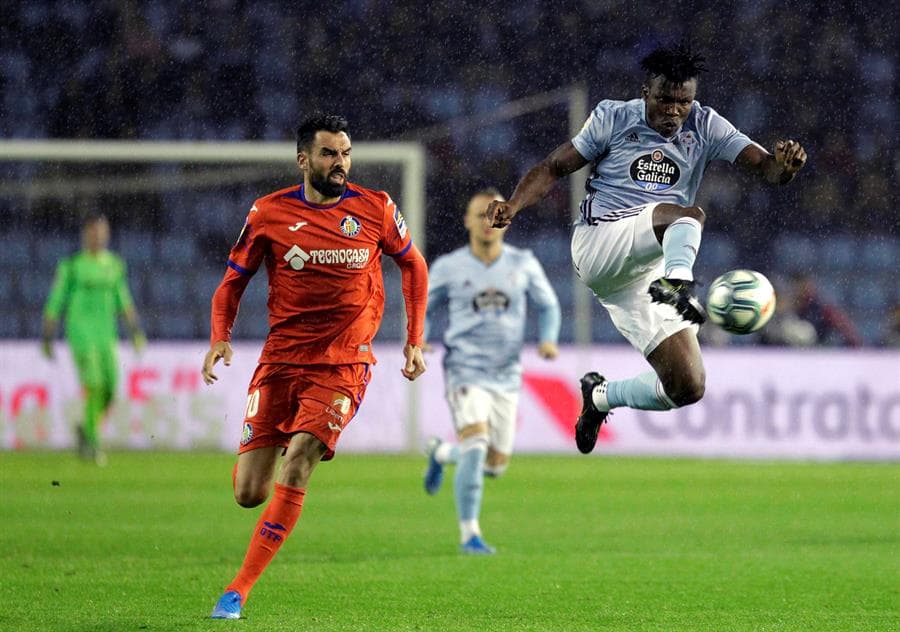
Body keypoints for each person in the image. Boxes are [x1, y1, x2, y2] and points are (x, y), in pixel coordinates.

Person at [485, 43, 808, 453]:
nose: (674, 110)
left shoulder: (707, 125)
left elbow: (767, 169)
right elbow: (554, 166)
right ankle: (678, 284)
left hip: (643, 271)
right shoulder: (613, 117)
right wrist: (513, 205)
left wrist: (785, 166)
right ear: (646, 92)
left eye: (684, 102)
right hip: (600, 243)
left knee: (687, 385)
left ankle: (600, 397)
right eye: (665, 100)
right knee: (687, 216)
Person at [203, 113, 428, 620]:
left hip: (343, 362)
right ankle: (290, 431)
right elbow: (232, 281)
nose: (340, 163)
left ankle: (237, 590)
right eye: (329, 154)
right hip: (282, 359)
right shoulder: (268, 213)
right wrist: (221, 337)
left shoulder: (376, 208)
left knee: (300, 458)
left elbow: (412, 264)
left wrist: (414, 340)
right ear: (304, 159)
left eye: (346, 153)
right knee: (248, 493)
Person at [422, 187, 560, 554]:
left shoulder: (524, 263)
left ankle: (440, 453)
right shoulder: (449, 267)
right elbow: (425, 306)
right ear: (467, 220)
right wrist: (419, 337)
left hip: (506, 374)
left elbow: (548, 306)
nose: (488, 220)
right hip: (464, 368)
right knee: (477, 442)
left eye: (495, 213)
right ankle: (470, 535)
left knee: (495, 464)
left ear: (507, 219)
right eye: (479, 213)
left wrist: (547, 339)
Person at [41, 214, 145, 465]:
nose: (98, 236)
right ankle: (92, 443)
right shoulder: (72, 266)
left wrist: (135, 333)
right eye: (94, 232)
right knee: (95, 386)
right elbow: (56, 302)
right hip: (81, 335)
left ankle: (86, 430)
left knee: (111, 390)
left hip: (106, 337)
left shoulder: (114, 265)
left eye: (102, 231)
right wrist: (47, 337)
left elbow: (124, 301)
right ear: (85, 234)